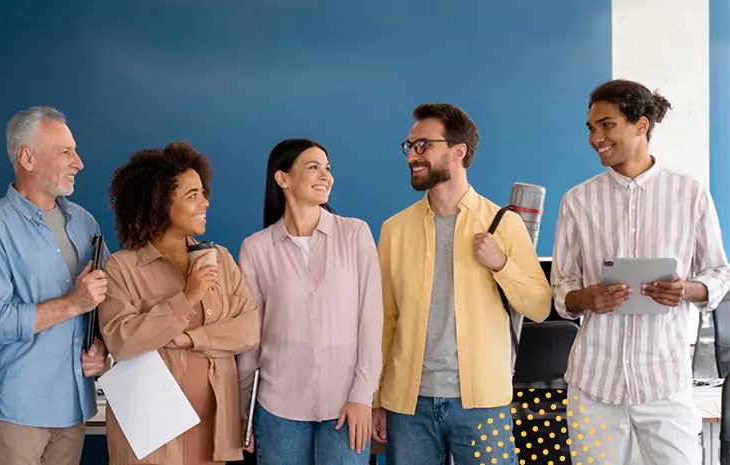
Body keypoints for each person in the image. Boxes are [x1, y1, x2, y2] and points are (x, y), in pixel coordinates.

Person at [550, 79, 730, 464]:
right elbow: (562, 286)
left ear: (641, 125)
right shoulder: (577, 201)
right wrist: (586, 297)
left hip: (665, 383)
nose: (595, 136)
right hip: (593, 385)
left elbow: (718, 272)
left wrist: (689, 289)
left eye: (606, 124)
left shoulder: (690, 194)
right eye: (591, 128)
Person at [370, 104, 552, 464]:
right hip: (408, 404)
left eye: (422, 145)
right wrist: (377, 397)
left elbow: (540, 307)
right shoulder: (394, 230)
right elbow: (384, 321)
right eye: (408, 146)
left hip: (482, 402)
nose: (411, 156)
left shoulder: (504, 224)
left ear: (459, 151)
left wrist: (501, 264)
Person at [97, 141, 259, 464]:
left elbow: (249, 329)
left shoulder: (222, 259)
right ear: (160, 203)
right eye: (193, 195)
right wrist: (186, 298)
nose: (205, 203)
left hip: (212, 431)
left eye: (203, 192)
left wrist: (188, 338)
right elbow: (122, 341)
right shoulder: (121, 267)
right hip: (151, 435)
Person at [0, 106, 109, 465]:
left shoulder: (84, 223)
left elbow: (107, 298)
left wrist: (101, 345)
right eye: (65, 152)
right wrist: (71, 304)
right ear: (27, 158)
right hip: (18, 411)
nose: (78, 162)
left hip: (74, 404)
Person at [235, 138, 382, 465]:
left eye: (327, 168)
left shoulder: (355, 235)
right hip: (277, 409)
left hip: (345, 407)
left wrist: (362, 396)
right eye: (313, 167)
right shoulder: (256, 249)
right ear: (283, 179)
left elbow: (371, 325)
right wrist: (244, 411)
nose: (325, 176)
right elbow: (249, 341)